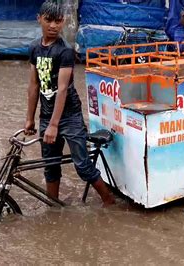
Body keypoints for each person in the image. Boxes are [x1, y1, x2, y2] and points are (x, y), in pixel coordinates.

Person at [24, 1, 115, 206]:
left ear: (63, 22)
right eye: (49, 20)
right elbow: (33, 86)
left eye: (58, 21)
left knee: (82, 165)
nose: (53, 26)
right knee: (50, 166)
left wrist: (55, 125)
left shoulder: (64, 51)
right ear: (39, 19)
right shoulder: (34, 48)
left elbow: (63, 89)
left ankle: (109, 202)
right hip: (47, 116)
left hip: (70, 117)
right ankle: (53, 207)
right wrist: (29, 119)